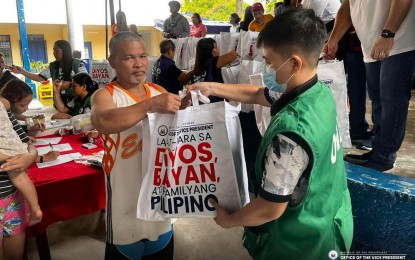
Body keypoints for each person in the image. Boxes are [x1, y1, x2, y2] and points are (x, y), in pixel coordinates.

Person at [188, 9, 353, 258]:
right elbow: (256, 94)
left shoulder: (290, 135)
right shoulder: (318, 92)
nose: (266, 68)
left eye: (270, 62)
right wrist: (212, 87)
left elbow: (269, 209)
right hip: (329, 221)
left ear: (294, 63)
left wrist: (229, 220)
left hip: (297, 244)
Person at [90, 32, 185, 259]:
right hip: (126, 208)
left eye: (142, 56)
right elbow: (103, 121)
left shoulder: (158, 91)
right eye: (128, 58)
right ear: (112, 62)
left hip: (161, 207)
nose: (138, 64)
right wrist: (150, 105)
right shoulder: (105, 95)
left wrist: (188, 106)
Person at [323, 0, 415, 172]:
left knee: (392, 102)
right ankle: (379, 150)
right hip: (371, 44)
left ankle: (383, 157)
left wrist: (388, 33)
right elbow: (348, 6)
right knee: (378, 101)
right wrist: (334, 38)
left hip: (397, 40)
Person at [0, 98, 43, 226]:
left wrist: (31, 154)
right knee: (20, 177)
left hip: (5, 149)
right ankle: (35, 208)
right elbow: (6, 103)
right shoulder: (3, 102)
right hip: (12, 145)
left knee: (17, 172)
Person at [8, 40, 87, 107]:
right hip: (59, 103)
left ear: (65, 51)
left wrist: (70, 83)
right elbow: (40, 78)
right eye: (53, 50)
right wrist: (22, 72)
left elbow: (86, 78)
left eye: (57, 50)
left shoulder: (77, 64)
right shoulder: (53, 66)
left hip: (77, 102)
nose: (54, 53)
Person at [191, 38, 238, 102]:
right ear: (209, 50)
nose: (217, 50)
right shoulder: (212, 62)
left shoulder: (196, 69)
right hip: (216, 103)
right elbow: (232, 56)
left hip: (203, 103)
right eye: (215, 47)